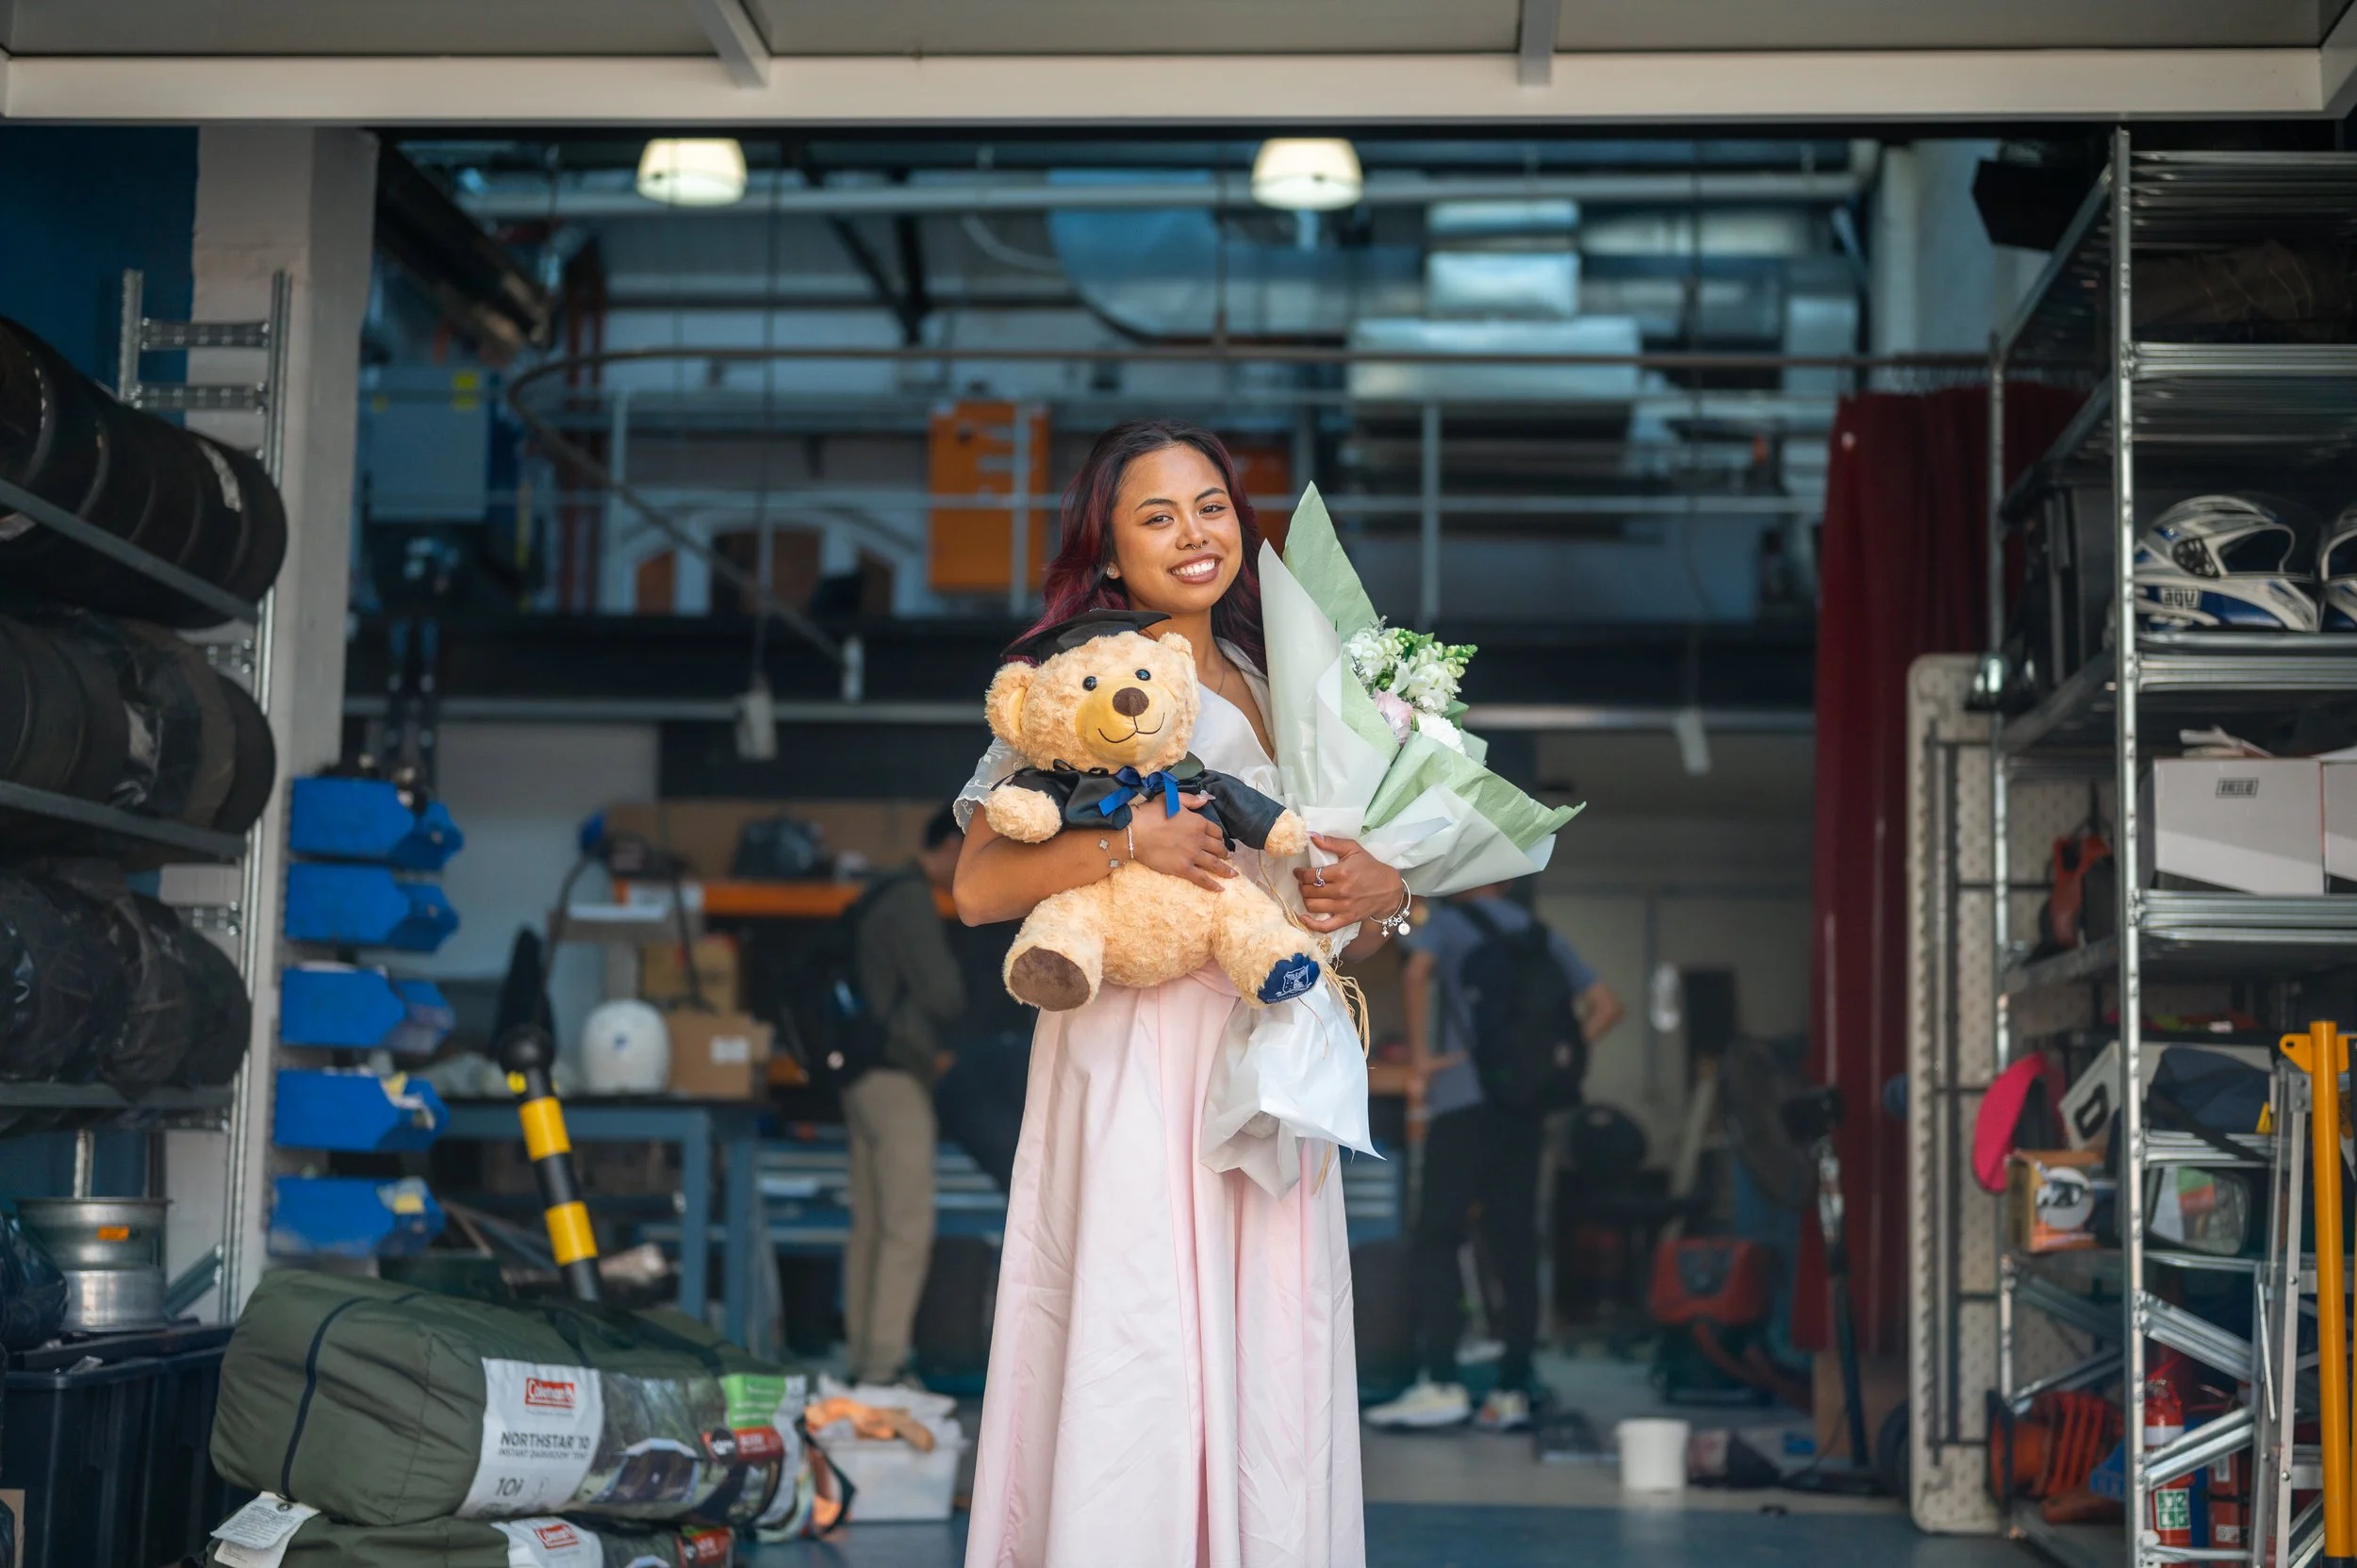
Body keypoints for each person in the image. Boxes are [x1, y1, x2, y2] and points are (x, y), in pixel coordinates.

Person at [954, 420, 1405, 1568]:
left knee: (1274, 1344)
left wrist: (1387, 891)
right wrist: (1125, 848)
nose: (1195, 534)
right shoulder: (1079, 683)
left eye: (1212, 505)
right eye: (1156, 516)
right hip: (1135, 1052)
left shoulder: (1283, 683)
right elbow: (976, 885)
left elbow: (1324, 897)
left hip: (1271, 1052)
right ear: (1107, 555)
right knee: (1134, 1328)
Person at [1366, 882, 1624, 1434]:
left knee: (1438, 1236)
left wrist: (1422, 1060)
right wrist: (1545, 1063)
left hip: (1461, 1100)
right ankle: (1512, 1388)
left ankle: (1442, 1381)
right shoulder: (1540, 935)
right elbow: (1607, 1007)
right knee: (1515, 1244)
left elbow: (1414, 973)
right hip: (1524, 1110)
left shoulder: (1451, 925)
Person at [839, 803, 966, 1388]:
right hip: (895, 1076)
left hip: (859, 1076)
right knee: (907, 1225)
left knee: (871, 1224)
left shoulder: (876, 891)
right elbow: (942, 993)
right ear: (949, 844)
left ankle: (864, 1357)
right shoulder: (910, 898)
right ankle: (886, 1365)